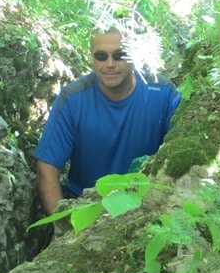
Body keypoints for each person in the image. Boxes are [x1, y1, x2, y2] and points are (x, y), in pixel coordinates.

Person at [34, 25, 182, 216]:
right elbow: (47, 165)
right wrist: (61, 224)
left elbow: (180, 152)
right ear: (92, 58)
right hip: (85, 205)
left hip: (143, 205)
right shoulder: (73, 98)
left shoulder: (162, 93)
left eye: (119, 55)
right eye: (101, 56)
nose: (110, 64)